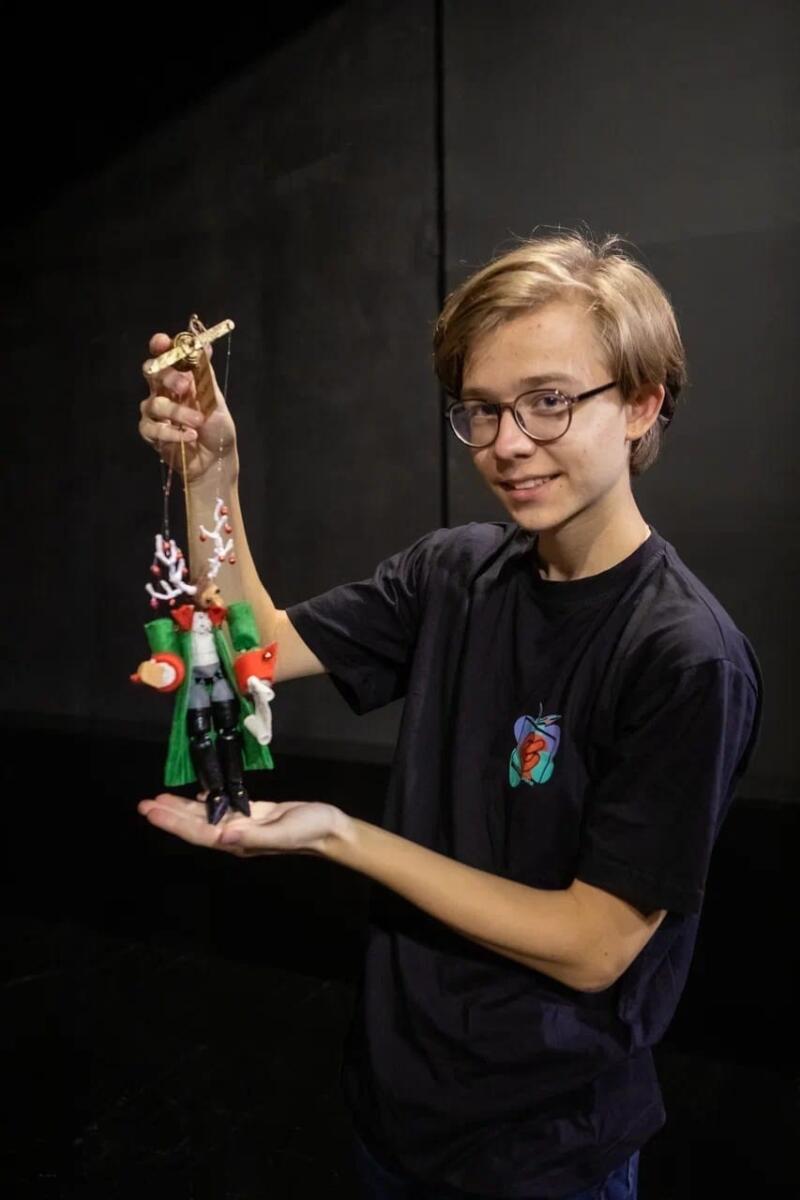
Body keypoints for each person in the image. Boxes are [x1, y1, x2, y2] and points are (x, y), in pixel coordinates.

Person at [137, 232, 762, 1200]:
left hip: (543, 1149)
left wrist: (339, 835)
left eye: (548, 401)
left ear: (641, 404)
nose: (507, 442)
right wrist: (209, 472)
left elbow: (594, 946)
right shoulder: (455, 572)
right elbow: (254, 643)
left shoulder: (683, 655)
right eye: (482, 409)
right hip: (393, 1109)